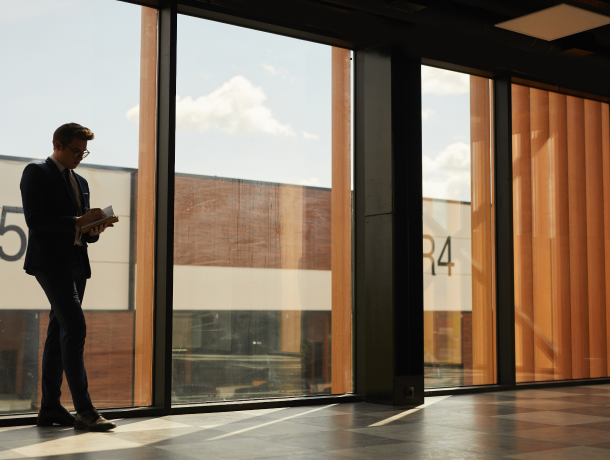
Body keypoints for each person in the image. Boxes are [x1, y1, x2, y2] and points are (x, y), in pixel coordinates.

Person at [20, 123, 116, 431]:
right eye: (75, 151)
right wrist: (77, 220)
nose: (80, 157)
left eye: (83, 152)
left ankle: (49, 407)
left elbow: (82, 234)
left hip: (76, 262)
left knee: (58, 333)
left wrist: (94, 228)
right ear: (58, 145)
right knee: (75, 328)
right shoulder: (36, 173)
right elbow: (35, 220)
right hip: (50, 263)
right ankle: (85, 411)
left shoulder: (81, 181)